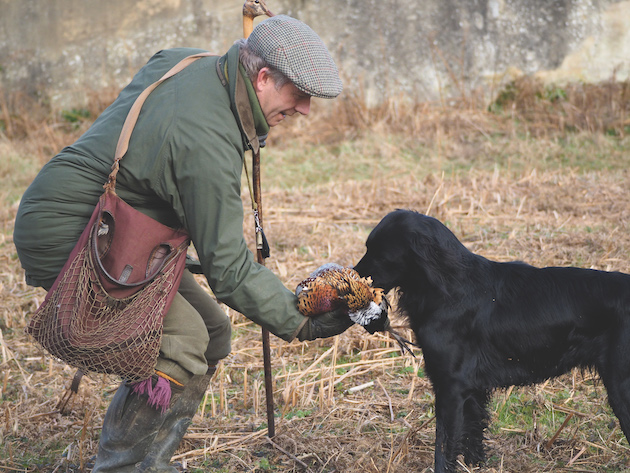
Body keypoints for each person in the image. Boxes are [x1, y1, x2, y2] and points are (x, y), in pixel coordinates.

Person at [13, 15, 367, 472]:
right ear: (261, 78)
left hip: (124, 229)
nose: (305, 109)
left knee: (213, 333)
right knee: (182, 339)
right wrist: (300, 324)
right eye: (298, 95)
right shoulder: (207, 142)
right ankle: (120, 468)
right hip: (70, 230)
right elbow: (228, 270)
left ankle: (150, 462)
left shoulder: (196, 63)